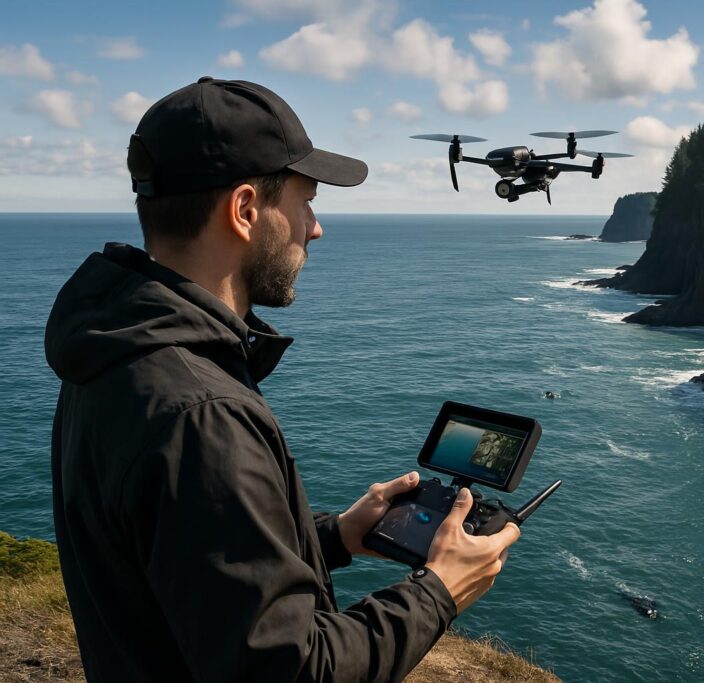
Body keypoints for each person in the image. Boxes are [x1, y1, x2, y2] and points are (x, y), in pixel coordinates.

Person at [45, 77, 521, 682]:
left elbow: (187, 569)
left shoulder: (113, 349)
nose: (314, 228)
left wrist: (335, 538)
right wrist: (440, 591)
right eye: (304, 203)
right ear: (245, 211)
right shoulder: (202, 413)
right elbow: (293, 671)